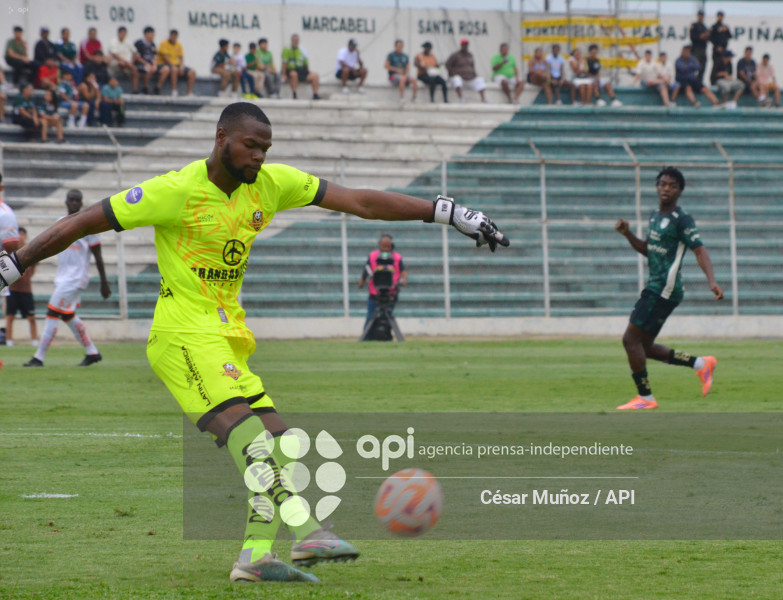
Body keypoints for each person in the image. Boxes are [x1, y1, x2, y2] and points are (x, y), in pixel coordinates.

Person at [0, 102, 508, 583]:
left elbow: (360, 202)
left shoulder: (270, 184)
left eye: (265, 147)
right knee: (256, 443)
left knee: (283, 444)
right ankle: (303, 535)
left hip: (227, 339)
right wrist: (17, 262)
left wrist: (447, 212)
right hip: (181, 336)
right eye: (250, 146)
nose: (259, 156)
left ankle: (261, 554)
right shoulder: (173, 190)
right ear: (221, 138)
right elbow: (83, 222)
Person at [614, 166, 722, 410]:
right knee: (644, 346)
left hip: (664, 289)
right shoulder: (655, 216)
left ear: (680, 191)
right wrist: (627, 233)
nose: (666, 188)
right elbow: (648, 250)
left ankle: (646, 398)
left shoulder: (681, 220)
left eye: (672, 185)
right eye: (663, 184)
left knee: (630, 340)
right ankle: (701, 365)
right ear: (657, 187)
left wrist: (711, 281)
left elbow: (700, 249)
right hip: (658, 287)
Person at [21, 189, 110, 367]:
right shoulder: (60, 223)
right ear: (66, 202)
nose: (74, 203)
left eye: (78, 201)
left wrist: (104, 282)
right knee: (67, 315)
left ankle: (39, 357)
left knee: (52, 312)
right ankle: (92, 352)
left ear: (81, 203)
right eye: (71, 200)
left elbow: (98, 256)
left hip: (76, 278)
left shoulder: (89, 226)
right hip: (62, 277)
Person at [358, 234, 407, 333]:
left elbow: (403, 271)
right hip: (375, 293)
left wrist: (403, 279)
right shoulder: (372, 256)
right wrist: (362, 281)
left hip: (391, 293)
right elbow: (366, 270)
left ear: (391, 245)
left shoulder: (397, 257)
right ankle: (366, 339)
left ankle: (386, 336)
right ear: (379, 245)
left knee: (388, 318)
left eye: (388, 246)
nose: (385, 248)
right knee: (370, 316)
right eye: (383, 246)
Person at [5, 228, 38, 347]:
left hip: (26, 290)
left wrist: (26, 279)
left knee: (31, 318)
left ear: (25, 236)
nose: (20, 237)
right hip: (13, 289)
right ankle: (9, 342)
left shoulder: (30, 251)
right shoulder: (11, 253)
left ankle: (34, 341)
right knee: (10, 317)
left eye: (22, 234)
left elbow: (34, 267)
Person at [445, 39, 486, 103]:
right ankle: (461, 99)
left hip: (470, 77)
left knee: (480, 80)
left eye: (466, 45)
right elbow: (447, 65)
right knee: (457, 79)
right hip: (460, 77)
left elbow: (472, 66)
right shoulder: (455, 55)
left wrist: (474, 73)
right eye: (464, 45)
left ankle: (483, 99)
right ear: (461, 45)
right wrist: (452, 72)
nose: (465, 46)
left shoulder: (470, 55)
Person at [157, 29, 195, 97]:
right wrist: (173, 66)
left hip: (177, 65)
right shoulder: (164, 43)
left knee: (192, 72)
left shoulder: (179, 45)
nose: (174, 37)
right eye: (173, 36)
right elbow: (165, 57)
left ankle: (189, 93)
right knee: (174, 70)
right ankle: (174, 91)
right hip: (166, 64)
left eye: (175, 36)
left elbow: (181, 58)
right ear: (170, 36)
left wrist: (181, 67)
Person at [281, 34, 320, 100]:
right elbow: (284, 63)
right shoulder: (286, 50)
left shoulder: (302, 51)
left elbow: (306, 64)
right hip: (291, 70)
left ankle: (315, 94)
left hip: (301, 71)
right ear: (291, 41)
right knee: (294, 74)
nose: (295, 42)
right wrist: (284, 74)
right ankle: (294, 94)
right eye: (294, 40)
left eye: (297, 40)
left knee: (315, 76)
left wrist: (307, 73)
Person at [108, 26, 139, 94]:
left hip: (127, 64)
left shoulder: (128, 42)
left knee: (135, 70)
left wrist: (132, 62)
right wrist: (127, 63)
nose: (123, 35)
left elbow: (135, 52)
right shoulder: (114, 41)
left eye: (124, 33)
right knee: (121, 63)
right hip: (115, 63)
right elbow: (115, 55)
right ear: (118, 33)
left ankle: (135, 90)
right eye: (122, 33)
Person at [134, 26, 163, 95]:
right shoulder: (139, 43)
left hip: (150, 63)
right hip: (141, 63)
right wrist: (147, 63)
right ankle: (145, 88)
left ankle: (157, 88)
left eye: (153, 34)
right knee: (148, 68)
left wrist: (155, 65)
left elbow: (155, 57)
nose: (153, 36)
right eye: (151, 34)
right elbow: (136, 56)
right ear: (146, 34)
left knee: (166, 69)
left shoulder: (153, 44)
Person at [689, 10, 710, 86]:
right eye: (699, 15)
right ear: (697, 16)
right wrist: (700, 37)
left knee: (703, 66)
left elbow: (708, 38)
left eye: (702, 16)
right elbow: (692, 38)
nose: (701, 17)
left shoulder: (704, 27)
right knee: (694, 66)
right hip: (696, 49)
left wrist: (706, 36)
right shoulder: (694, 26)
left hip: (703, 49)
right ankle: (692, 82)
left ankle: (699, 82)